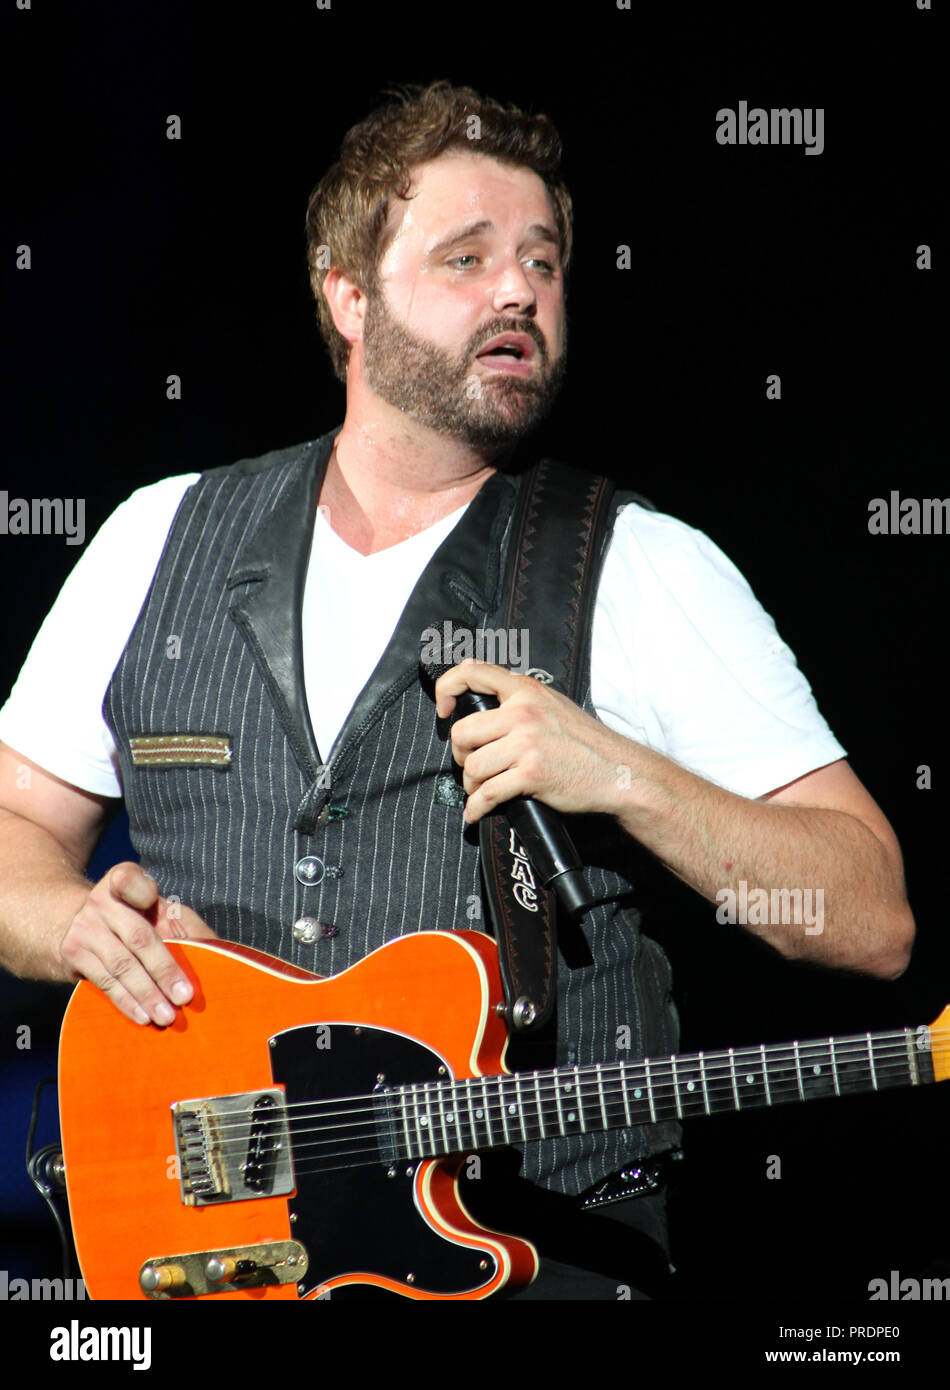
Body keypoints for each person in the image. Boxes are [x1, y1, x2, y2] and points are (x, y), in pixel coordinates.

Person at [0, 81, 913, 1299]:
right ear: (347, 297)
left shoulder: (639, 564)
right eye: (466, 257)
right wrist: (69, 924)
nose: (518, 292)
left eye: (541, 260)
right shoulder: (155, 537)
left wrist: (624, 777)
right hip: (201, 1252)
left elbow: (869, 916)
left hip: (535, 1256)